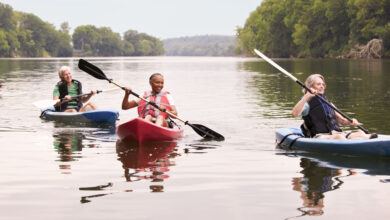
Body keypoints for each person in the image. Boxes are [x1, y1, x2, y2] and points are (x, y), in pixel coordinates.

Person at [291, 74, 376, 139]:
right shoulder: (306, 102)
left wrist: (351, 122)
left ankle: (372, 144)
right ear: (310, 86)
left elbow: (341, 120)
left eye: (323, 84)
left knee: (360, 133)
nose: (322, 86)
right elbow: (294, 114)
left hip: (335, 133)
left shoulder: (327, 102)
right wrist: (307, 96)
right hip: (320, 136)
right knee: (339, 137)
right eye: (318, 84)